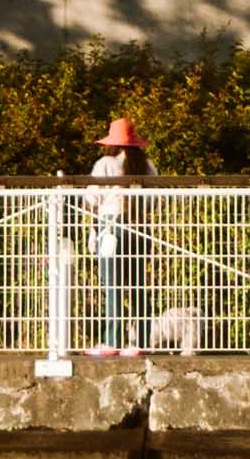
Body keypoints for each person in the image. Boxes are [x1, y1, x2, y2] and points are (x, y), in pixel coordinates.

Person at [87, 116, 158, 358]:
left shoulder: (105, 164)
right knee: (138, 285)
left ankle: (112, 341)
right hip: (140, 228)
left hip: (111, 228)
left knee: (113, 284)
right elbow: (154, 201)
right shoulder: (148, 166)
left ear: (112, 142)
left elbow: (91, 200)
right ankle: (141, 342)